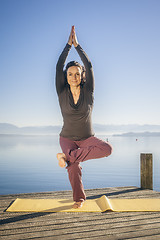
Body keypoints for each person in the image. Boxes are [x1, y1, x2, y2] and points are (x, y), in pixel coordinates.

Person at [56, 26, 113, 208]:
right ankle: (79, 199)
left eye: (77, 74)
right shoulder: (61, 91)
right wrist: (67, 46)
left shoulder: (89, 91)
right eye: (70, 74)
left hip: (88, 139)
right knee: (73, 168)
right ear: (66, 76)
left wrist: (78, 46)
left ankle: (67, 157)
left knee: (107, 149)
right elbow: (58, 66)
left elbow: (89, 65)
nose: (74, 77)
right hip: (67, 139)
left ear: (82, 76)